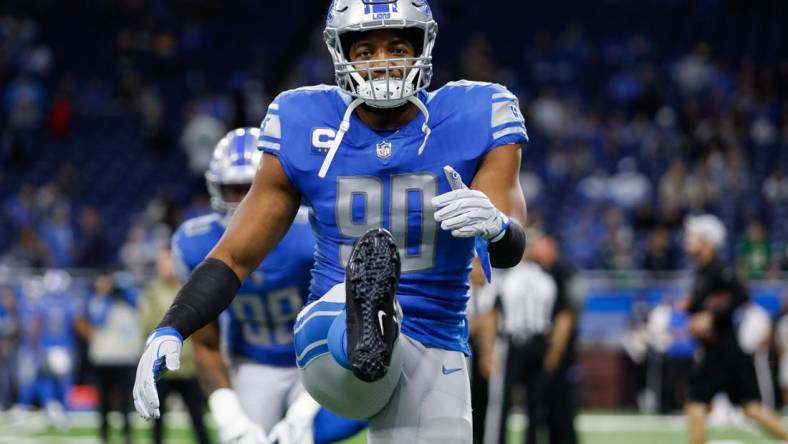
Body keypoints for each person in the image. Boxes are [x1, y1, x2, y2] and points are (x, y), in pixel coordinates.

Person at [133, 2, 528, 443]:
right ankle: (368, 317)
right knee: (357, 322)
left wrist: (496, 225)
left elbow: (510, 246)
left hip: (434, 338)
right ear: (342, 54)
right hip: (331, 329)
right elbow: (234, 254)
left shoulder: (476, 111)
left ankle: (374, 328)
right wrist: (174, 324)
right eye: (367, 51)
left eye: (398, 46)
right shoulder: (306, 120)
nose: (383, 62)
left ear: (424, 47)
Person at [170, 128, 365, 443]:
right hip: (253, 363)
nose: (244, 202)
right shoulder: (195, 243)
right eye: (233, 190)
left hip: (316, 356)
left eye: (251, 187)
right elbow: (205, 343)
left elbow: (346, 320)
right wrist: (227, 411)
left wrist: (307, 407)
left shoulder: (309, 234)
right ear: (214, 189)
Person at [682, 215, 788, 444]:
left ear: (707, 242)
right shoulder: (701, 271)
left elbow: (741, 295)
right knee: (750, 408)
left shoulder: (718, 269)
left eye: (693, 237)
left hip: (722, 351)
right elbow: (706, 303)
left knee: (695, 404)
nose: (687, 241)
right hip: (719, 351)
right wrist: (691, 308)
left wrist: (711, 316)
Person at [484, 232, 578, 444]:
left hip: (513, 342)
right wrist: (553, 353)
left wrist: (488, 352)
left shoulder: (507, 278)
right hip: (539, 342)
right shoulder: (547, 280)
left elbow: (493, 316)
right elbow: (562, 320)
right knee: (535, 405)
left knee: (502, 405)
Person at [138, 248, 211, 444]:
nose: (165, 266)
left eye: (169, 261)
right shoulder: (152, 292)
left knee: (197, 417)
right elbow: (145, 324)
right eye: (162, 262)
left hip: (188, 365)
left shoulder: (188, 287)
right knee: (156, 419)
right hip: (162, 368)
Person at [79, 271, 143, 444]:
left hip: (124, 357)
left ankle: (127, 433)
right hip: (104, 357)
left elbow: (138, 306)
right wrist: (105, 295)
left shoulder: (128, 301)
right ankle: (104, 435)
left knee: (125, 400)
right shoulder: (98, 301)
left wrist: (123, 289)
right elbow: (98, 319)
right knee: (104, 400)